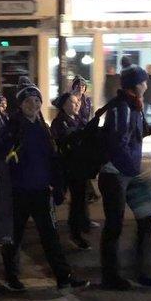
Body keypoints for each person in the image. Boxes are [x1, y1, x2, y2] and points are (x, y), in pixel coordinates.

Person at [0, 77, 88, 292]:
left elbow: (53, 159)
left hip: (40, 192)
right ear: (20, 104)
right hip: (18, 192)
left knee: (50, 236)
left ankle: (63, 276)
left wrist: (57, 187)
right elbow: (0, 156)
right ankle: (11, 276)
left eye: (36, 100)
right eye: (28, 101)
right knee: (13, 236)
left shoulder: (43, 128)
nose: (33, 104)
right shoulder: (12, 127)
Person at [98, 60, 151, 290]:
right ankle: (110, 276)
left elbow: (138, 130)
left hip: (128, 173)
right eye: (143, 80)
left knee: (146, 219)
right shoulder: (121, 108)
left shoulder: (135, 105)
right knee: (114, 226)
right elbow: (117, 145)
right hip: (115, 175)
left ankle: (142, 270)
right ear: (135, 85)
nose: (147, 83)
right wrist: (131, 170)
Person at [51, 92, 95, 251]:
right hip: (67, 168)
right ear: (64, 105)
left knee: (80, 199)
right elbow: (64, 140)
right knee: (73, 201)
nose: (77, 104)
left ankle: (81, 226)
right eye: (73, 102)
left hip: (80, 167)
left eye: (78, 102)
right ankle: (74, 233)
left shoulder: (79, 120)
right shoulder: (59, 122)